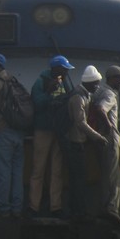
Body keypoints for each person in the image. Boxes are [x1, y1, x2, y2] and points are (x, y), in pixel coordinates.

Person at [27, 55, 74, 218]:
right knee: (38, 169)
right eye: (65, 69)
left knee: (57, 170)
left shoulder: (65, 82)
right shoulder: (41, 82)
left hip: (59, 131)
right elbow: (36, 103)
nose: (67, 71)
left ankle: (56, 206)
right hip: (43, 129)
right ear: (55, 69)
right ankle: (34, 206)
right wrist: (48, 93)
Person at [66, 65, 108, 222]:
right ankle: (77, 211)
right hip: (74, 143)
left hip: (81, 143)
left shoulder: (86, 95)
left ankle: (79, 210)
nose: (97, 87)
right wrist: (97, 136)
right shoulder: (78, 97)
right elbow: (80, 122)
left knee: (80, 179)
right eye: (96, 83)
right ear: (89, 83)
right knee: (77, 180)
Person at [0, 53, 24, 218]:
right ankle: (17, 208)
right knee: (17, 174)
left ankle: (3, 208)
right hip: (19, 134)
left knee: (3, 173)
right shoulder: (13, 81)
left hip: (3, 133)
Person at [92, 65, 120, 226]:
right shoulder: (109, 94)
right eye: (119, 78)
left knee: (106, 173)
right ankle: (111, 209)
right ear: (111, 79)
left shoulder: (99, 91)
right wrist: (108, 125)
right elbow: (101, 109)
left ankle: (104, 206)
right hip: (110, 137)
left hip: (100, 137)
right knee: (113, 175)